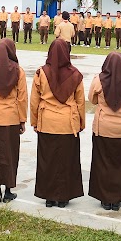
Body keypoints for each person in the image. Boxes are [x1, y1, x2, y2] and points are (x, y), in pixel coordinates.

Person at [31, 39, 85, 208]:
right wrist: (81, 123)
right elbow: (80, 101)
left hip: (47, 121)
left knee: (48, 160)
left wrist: (34, 122)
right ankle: (63, 197)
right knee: (66, 161)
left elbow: (34, 100)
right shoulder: (75, 74)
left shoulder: (41, 73)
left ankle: (48, 196)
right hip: (67, 123)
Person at [88, 52, 121, 211]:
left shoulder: (99, 80)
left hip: (104, 128)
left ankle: (105, 199)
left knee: (103, 162)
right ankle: (117, 198)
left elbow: (92, 99)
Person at [0, 39, 27, 203]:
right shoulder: (18, 71)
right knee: (10, 153)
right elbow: (22, 97)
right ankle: (8, 190)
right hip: (11, 117)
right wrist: (22, 119)